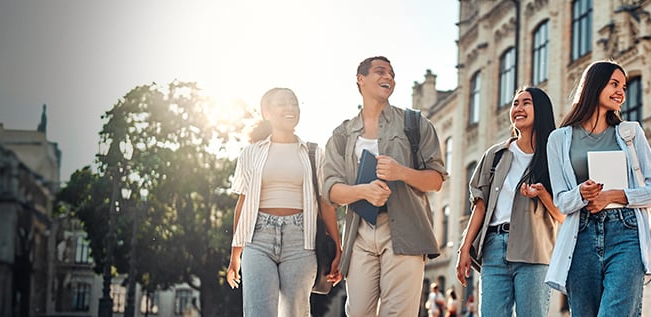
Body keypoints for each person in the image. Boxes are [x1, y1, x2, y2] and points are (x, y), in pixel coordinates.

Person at [320, 56, 447, 317]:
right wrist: (363, 192)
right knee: (358, 312)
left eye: (392, 74)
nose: (388, 77)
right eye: (380, 71)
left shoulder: (415, 124)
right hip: (360, 232)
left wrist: (401, 172)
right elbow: (330, 190)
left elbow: (436, 180)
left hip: (406, 230)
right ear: (361, 79)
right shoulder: (342, 134)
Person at [544, 60, 651, 316]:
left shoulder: (631, 133)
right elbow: (561, 201)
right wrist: (581, 193)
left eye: (623, 86)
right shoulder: (558, 139)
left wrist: (613, 195)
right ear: (594, 85)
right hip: (581, 235)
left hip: (626, 232)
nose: (621, 92)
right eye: (614, 84)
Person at [226, 88, 343, 317]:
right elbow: (243, 204)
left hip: (301, 241)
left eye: (293, 103)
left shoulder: (314, 153)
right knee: (258, 313)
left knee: (296, 313)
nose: (290, 107)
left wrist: (338, 249)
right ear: (266, 112)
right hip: (258, 239)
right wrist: (235, 255)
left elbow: (326, 204)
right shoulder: (250, 153)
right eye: (282, 103)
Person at [454, 86, 562, 317]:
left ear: (541, 110)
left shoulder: (553, 157)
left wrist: (543, 194)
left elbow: (564, 214)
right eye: (515, 103)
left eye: (526, 103)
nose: (518, 108)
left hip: (535, 250)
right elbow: (480, 206)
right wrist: (464, 248)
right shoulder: (495, 155)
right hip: (493, 248)